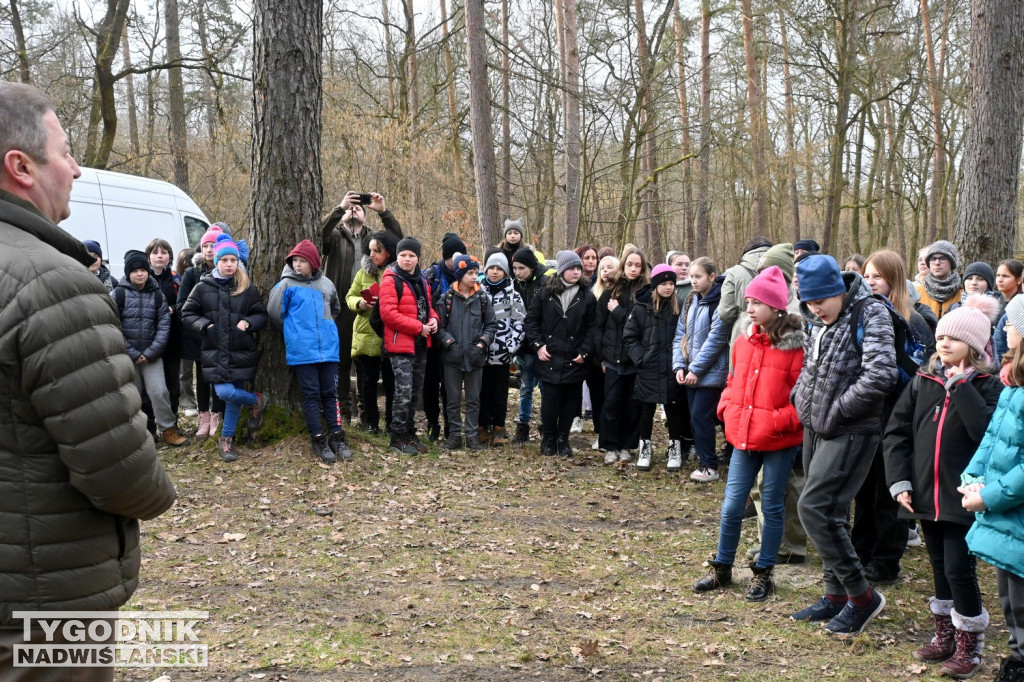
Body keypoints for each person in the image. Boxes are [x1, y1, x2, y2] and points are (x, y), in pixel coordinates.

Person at [0, 81, 176, 681]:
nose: (77, 168)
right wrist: (157, 493)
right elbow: (118, 467)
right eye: (66, 152)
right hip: (39, 599)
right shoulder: (52, 283)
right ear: (20, 166)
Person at [883, 298, 1002, 677]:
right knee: (938, 566)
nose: (944, 344)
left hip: (963, 497)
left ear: (976, 345)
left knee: (959, 569)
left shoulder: (989, 386)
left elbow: (985, 433)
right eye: (941, 337)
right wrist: (900, 480)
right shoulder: (923, 380)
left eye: (954, 338)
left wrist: (961, 388)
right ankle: (946, 635)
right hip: (923, 493)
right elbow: (897, 433)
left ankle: (970, 645)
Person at [790, 254, 896, 638]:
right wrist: (800, 400)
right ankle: (835, 595)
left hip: (852, 429)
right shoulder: (816, 319)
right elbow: (810, 367)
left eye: (821, 300)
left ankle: (862, 597)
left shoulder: (870, 313)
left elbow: (880, 373)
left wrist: (835, 412)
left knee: (813, 506)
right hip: (815, 424)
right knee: (832, 511)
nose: (816, 309)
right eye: (809, 302)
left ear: (839, 289)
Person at [693, 266, 805, 601]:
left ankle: (763, 572)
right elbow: (731, 382)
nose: (751, 308)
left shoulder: (795, 348)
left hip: (779, 441)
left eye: (757, 302)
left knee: (770, 505)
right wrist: (727, 409)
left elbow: (803, 397)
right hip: (743, 437)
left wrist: (778, 422)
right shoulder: (742, 342)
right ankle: (722, 567)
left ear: (776, 307)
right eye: (748, 302)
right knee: (730, 507)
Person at [851, 249, 935, 584]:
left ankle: (886, 562)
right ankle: (861, 553)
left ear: (894, 279)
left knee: (890, 492)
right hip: (867, 416)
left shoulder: (913, 320)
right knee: (865, 490)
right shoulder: (863, 314)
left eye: (877, 277)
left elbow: (918, 372)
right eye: (867, 276)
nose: (871, 282)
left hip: (899, 417)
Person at [959, 294, 1024, 682]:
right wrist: (973, 478)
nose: (1004, 329)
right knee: (1009, 597)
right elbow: (992, 439)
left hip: (1012, 508)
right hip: (1004, 513)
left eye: (1012, 323)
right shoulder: (1012, 384)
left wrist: (990, 495)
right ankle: (1017, 661)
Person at [180, 234, 269, 462]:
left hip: (240, 349)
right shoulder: (202, 286)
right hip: (214, 350)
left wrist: (247, 323)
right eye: (225, 260)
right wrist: (205, 326)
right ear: (216, 261)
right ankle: (257, 400)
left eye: (233, 260)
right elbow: (187, 313)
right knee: (225, 393)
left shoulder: (246, 287)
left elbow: (261, 314)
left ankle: (226, 440)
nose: (229, 264)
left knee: (231, 399)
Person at [320, 191, 403, 424]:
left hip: (371, 309)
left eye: (357, 208)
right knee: (341, 359)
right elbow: (317, 235)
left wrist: (383, 212)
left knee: (366, 362)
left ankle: (365, 413)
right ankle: (343, 412)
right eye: (350, 209)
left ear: (366, 216)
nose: (353, 210)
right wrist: (339, 208)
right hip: (338, 306)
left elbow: (400, 243)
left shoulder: (373, 238)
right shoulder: (334, 237)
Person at [269, 239, 352, 464]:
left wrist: (324, 330)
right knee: (311, 394)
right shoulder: (285, 286)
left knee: (330, 393)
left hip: (328, 350)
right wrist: (295, 332)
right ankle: (318, 438)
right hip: (303, 351)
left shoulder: (326, 284)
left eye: (302, 261)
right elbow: (275, 312)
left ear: (313, 262)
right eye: (294, 260)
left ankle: (336, 436)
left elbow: (334, 308)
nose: (297, 265)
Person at [524, 250, 599, 457]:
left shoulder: (587, 296)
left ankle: (563, 439)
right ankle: (548, 439)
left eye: (578, 269)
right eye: (572, 268)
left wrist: (585, 352)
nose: (576, 272)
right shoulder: (545, 292)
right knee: (550, 401)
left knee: (570, 402)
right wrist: (538, 345)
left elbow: (593, 328)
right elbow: (531, 321)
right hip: (549, 356)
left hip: (575, 358)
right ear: (562, 270)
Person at [112, 249, 188, 447]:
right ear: (128, 272)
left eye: (142, 270)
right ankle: (137, 432)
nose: (139, 274)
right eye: (135, 270)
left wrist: (152, 351)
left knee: (159, 391)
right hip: (127, 356)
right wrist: (132, 352)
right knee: (133, 396)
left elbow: (164, 324)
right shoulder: (118, 294)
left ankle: (168, 429)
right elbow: (113, 326)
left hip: (152, 355)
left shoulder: (157, 295)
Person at [623, 264, 690, 471]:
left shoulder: (679, 306)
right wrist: (640, 359)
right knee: (646, 409)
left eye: (672, 283)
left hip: (672, 367)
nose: (668, 287)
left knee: (674, 409)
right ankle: (645, 447)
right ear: (655, 285)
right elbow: (629, 336)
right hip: (649, 367)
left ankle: (675, 448)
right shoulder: (641, 307)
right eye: (664, 283)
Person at [380, 237, 439, 455]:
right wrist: (418, 327)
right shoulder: (390, 279)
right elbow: (388, 314)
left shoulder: (422, 280)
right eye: (403, 255)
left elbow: (428, 307)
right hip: (400, 344)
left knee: (415, 392)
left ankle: (409, 431)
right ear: (397, 256)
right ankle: (397, 436)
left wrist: (434, 320)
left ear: (417, 258)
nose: (407, 259)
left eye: (411, 255)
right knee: (402, 392)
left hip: (421, 344)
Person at [674, 257, 730, 482]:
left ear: (711, 277)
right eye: (692, 277)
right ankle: (706, 460)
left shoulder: (720, 303)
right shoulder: (691, 301)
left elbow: (716, 339)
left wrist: (695, 369)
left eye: (698, 277)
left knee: (701, 416)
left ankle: (710, 465)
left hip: (712, 373)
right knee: (695, 417)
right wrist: (679, 364)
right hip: (690, 372)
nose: (693, 281)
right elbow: (681, 334)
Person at [436, 254, 498, 450]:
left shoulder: (483, 298)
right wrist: (450, 343)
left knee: (473, 400)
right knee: (452, 400)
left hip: (475, 357)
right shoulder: (446, 299)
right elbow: (439, 326)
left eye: (476, 273)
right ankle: (454, 435)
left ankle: (471, 435)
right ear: (460, 274)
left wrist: (482, 343)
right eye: (470, 273)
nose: (474, 277)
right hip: (452, 358)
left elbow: (491, 325)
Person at [596, 246, 649, 463]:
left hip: (635, 360)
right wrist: (600, 357)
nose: (633, 269)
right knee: (611, 403)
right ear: (623, 265)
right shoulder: (610, 292)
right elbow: (598, 326)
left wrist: (618, 312)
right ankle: (609, 446)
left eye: (638, 265)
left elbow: (641, 325)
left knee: (632, 406)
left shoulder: (646, 295)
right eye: (629, 264)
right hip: (612, 358)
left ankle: (627, 445)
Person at [346, 229, 398, 434]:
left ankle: (392, 423)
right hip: (366, 334)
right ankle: (371, 424)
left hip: (389, 336)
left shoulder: (396, 274)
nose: (373, 254)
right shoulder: (363, 273)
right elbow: (349, 297)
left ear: (389, 252)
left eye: (378, 250)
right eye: (370, 250)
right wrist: (360, 303)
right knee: (367, 383)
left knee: (390, 383)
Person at [178, 226, 227, 438]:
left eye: (214, 245)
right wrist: (202, 325)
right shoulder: (191, 273)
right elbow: (182, 305)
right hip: (198, 335)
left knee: (218, 376)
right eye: (205, 245)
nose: (209, 249)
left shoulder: (226, 269)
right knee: (202, 377)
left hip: (221, 336)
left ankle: (217, 414)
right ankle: (204, 417)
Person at [478, 252, 526, 446]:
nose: (495, 272)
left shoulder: (512, 294)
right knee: (482, 392)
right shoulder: (478, 292)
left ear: (505, 272)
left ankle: (499, 427)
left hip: (502, 354)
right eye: (492, 268)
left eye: (499, 269)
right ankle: (482, 426)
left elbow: (520, 322)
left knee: (499, 392)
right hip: (481, 353)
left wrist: (511, 346)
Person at [424, 232, 466, 440]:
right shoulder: (431, 275)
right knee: (430, 384)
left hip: (454, 340)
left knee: (451, 388)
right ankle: (433, 425)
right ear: (446, 257)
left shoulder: (467, 276)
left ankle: (452, 426)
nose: (457, 262)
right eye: (453, 258)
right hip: (431, 339)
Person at [511, 247, 547, 444]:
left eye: (522, 268)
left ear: (532, 267)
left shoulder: (544, 284)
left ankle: (545, 425)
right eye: (515, 268)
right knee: (525, 387)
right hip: (523, 346)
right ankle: (522, 426)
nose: (518, 272)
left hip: (541, 344)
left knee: (543, 387)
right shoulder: (514, 285)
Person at [146, 238, 183, 417]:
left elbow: (185, 304)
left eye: (163, 253)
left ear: (170, 256)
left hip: (172, 339)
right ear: (148, 257)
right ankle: (150, 424)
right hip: (148, 340)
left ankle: (173, 421)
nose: (159, 256)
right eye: (155, 253)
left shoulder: (177, 280)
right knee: (151, 386)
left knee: (172, 384)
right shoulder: (142, 278)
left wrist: (173, 309)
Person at [176, 246, 199, 416]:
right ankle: (187, 401)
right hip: (184, 329)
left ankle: (210, 400)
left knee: (205, 370)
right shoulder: (179, 279)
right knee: (185, 371)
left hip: (202, 329)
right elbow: (180, 305)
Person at [916, 240, 963, 321]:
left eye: (943, 258)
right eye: (933, 258)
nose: (937, 262)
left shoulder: (963, 294)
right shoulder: (917, 293)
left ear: (952, 262)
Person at [993, 259, 1024, 359]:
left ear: (1019, 280)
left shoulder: (1020, 307)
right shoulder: (990, 302)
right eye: (998, 275)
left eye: (1005, 276)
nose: (1000, 280)